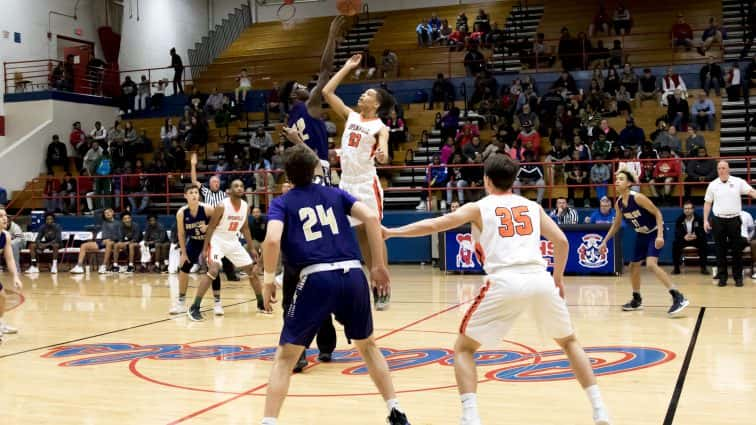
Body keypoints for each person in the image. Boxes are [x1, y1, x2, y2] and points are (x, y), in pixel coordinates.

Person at [383, 153, 610, 425]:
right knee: (570, 342)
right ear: (513, 181)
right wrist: (558, 278)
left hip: (504, 281)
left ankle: (470, 416)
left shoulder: (479, 207)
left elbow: (434, 224)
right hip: (539, 278)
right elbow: (561, 242)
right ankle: (600, 411)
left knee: (464, 349)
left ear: (486, 180)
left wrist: (392, 233)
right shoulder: (531, 206)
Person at [259, 144, 410, 425]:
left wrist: (268, 281)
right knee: (368, 346)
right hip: (353, 273)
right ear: (316, 169)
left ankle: (269, 422)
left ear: (287, 176)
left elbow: (270, 240)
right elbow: (372, 217)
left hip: (316, 276)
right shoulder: (336, 193)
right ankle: (396, 410)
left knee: (284, 358)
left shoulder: (283, 202)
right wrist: (378, 265)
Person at [323, 53, 395, 311]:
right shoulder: (351, 116)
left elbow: (384, 151)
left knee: (372, 236)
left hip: (366, 184)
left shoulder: (380, 126)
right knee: (357, 238)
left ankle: (382, 287)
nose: (363, 95)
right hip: (346, 184)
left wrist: (383, 153)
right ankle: (361, 282)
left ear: (376, 104)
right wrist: (346, 67)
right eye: (363, 93)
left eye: (368, 94)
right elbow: (327, 92)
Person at [598, 170, 689, 314]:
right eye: (616, 179)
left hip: (654, 231)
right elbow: (616, 224)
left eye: (621, 179)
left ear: (629, 183)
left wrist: (660, 235)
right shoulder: (619, 203)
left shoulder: (638, 198)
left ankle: (678, 296)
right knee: (633, 266)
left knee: (651, 264)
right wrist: (604, 242)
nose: (617, 181)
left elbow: (658, 213)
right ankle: (636, 299)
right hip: (641, 234)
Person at [187, 179, 266, 321]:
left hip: (232, 241)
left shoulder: (245, 206)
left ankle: (261, 304)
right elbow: (210, 228)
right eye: (236, 186)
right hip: (217, 240)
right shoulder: (222, 206)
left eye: (242, 186)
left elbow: (245, 228)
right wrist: (205, 249)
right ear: (229, 190)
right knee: (213, 270)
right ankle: (194, 307)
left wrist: (252, 248)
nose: (240, 188)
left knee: (252, 272)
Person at [281, 16, 344, 188]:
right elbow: (325, 70)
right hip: (318, 170)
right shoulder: (309, 104)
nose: (304, 86)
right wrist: (331, 36)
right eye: (298, 86)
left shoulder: (290, 120)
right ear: (294, 95)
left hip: (301, 174)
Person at [703, 161, 756, 287]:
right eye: (719, 168)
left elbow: (751, 191)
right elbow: (707, 203)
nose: (721, 170)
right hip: (718, 220)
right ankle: (722, 278)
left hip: (734, 220)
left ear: (728, 169)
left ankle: (738, 278)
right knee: (720, 250)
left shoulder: (738, 182)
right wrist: (705, 220)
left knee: (736, 250)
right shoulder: (713, 185)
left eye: (723, 168)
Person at [172, 184, 222, 315]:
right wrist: (183, 252)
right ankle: (181, 303)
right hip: (194, 241)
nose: (194, 194)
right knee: (184, 268)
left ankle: (217, 303)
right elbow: (181, 234)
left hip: (209, 241)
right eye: (191, 192)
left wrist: (208, 226)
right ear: (185, 196)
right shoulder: (181, 213)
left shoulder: (207, 209)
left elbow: (221, 220)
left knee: (213, 268)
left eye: (196, 192)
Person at [70, 208, 121, 274]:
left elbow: (120, 236)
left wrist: (111, 239)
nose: (107, 213)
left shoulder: (118, 223)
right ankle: (79, 266)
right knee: (84, 245)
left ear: (113, 213)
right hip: (102, 241)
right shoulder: (103, 221)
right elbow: (96, 212)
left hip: (113, 242)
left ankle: (103, 266)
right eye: (105, 213)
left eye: (109, 212)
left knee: (109, 243)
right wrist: (104, 209)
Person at [0, 210, 22, 341]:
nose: (4, 218)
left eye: (5, 215)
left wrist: (15, 277)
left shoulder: (6, 236)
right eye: (0, 216)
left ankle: (1, 324)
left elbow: (9, 259)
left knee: (2, 296)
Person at [672, 200, 708, 275]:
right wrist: (684, 236)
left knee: (704, 244)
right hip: (684, 239)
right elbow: (677, 232)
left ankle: (704, 268)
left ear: (693, 209)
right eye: (685, 209)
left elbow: (702, 232)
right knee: (675, 244)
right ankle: (676, 268)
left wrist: (696, 236)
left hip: (696, 239)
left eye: (689, 208)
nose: (687, 210)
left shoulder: (699, 219)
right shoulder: (679, 219)